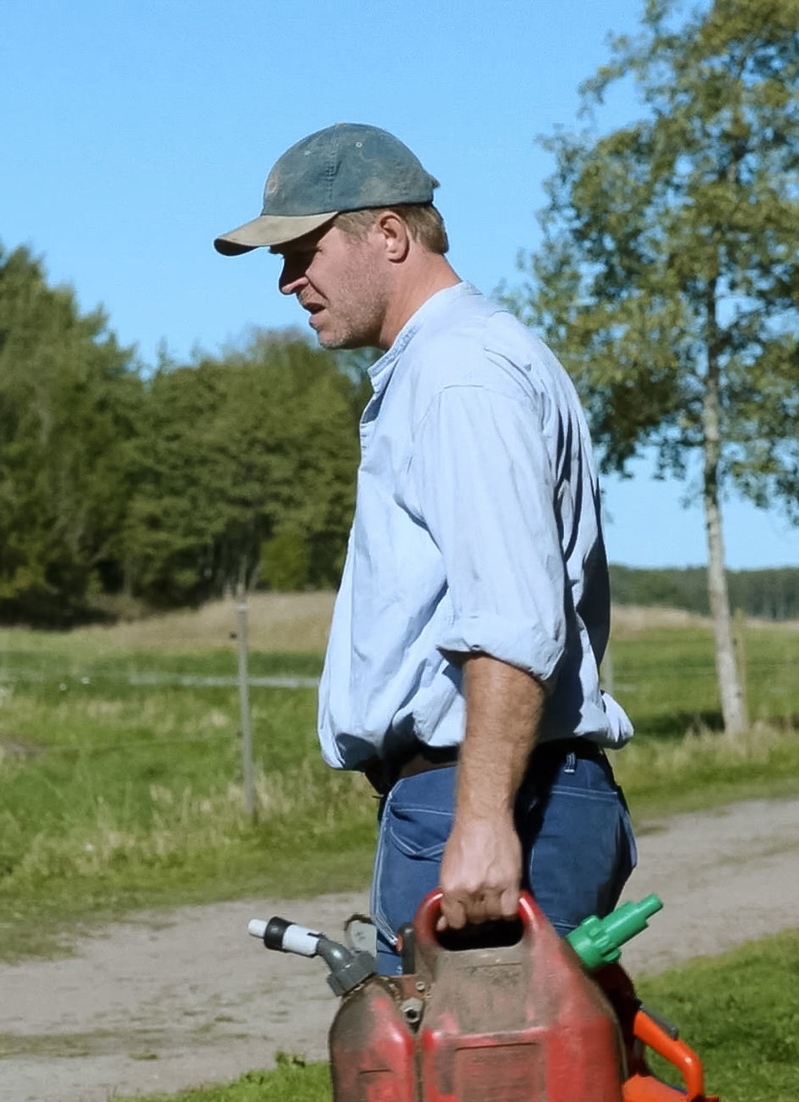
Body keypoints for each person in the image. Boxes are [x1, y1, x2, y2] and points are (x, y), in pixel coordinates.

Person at [216, 123, 636, 973]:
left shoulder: (457, 376)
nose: (289, 281)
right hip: (479, 796)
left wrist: (481, 824)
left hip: (496, 801)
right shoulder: (449, 366)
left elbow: (513, 619)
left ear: (390, 234)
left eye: (303, 250)